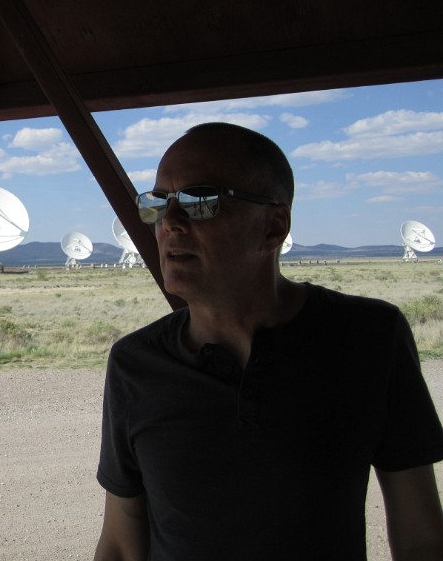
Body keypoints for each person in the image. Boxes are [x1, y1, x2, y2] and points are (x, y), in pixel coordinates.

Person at [93, 122, 443, 561]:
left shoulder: (370, 338)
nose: (171, 223)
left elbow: (421, 538)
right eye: (159, 203)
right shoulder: (136, 364)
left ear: (273, 226)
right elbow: (123, 545)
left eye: (201, 201)